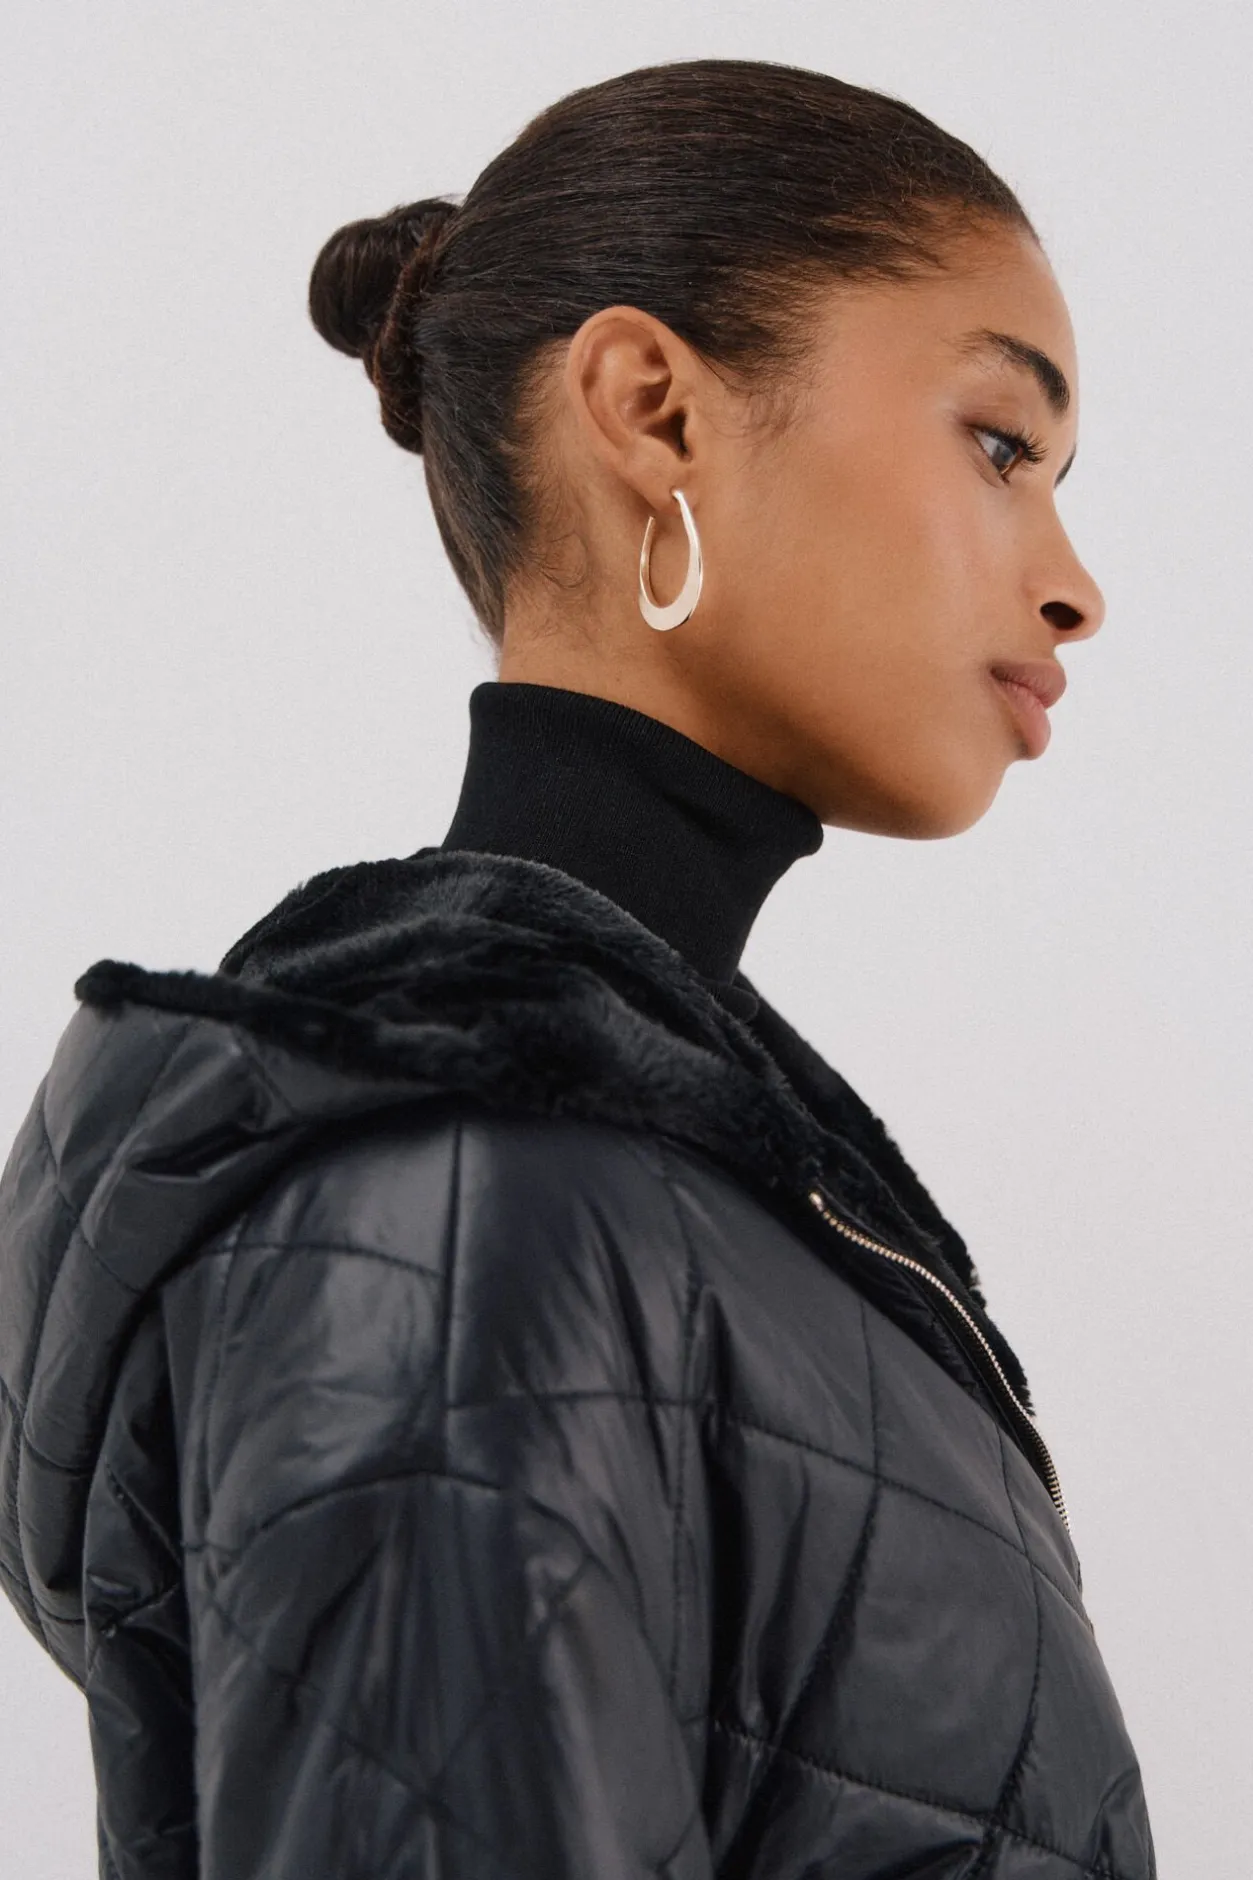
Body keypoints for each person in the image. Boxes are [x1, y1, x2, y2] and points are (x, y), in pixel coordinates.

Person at [0, 55, 1156, 1879]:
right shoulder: (470, 1199)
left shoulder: (671, 1177)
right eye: (1004, 445)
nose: (1079, 583)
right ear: (653, 410)